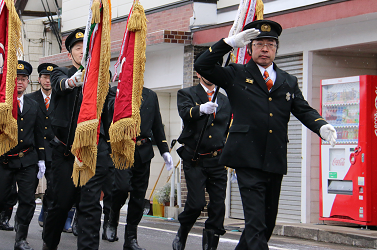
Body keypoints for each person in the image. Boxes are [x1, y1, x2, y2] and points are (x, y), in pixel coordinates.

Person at [194, 19, 337, 250]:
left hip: (274, 158)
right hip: (246, 157)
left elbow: (303, 109)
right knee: (256, 222)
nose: (264, 49)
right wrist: (228, 43)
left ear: (276, 49)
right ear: (250, 48)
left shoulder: (288, 80)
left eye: (270, 44)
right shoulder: (236, 73)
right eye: (259, 43)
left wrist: (320, 126)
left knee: (265, 224)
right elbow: (203, 65)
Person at [43, 28, 114, 250]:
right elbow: (60, 85)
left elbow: (110, 107)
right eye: (78, 48)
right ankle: (49, 243)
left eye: (87, 48)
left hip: (93, 152)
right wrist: (75, 81)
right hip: (66, 153)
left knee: (90, 206)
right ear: (70, 54)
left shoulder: (101, 79)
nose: (82, 51)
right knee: (61, 204)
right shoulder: (60, 72)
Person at [0, 60, 46, 250]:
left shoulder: (34, 105)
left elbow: (38, 133)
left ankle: (21, 238)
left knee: (27, 201)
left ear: (28, 82)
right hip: (3, 159)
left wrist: (41, 158)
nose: (19, 82)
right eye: (16, 78)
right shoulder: (0, 104)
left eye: (23, 79)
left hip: (27, 159)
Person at [172, 61, 232, 250]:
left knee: (217, 206)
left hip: (217, 159)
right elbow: (184, 112)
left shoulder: (224, 99)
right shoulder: (187, 93)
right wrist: (200, 109)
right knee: (197, 203)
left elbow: (227, 128)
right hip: (195, 158)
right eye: (206, 70)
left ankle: (210, 246)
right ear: (199, 74)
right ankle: (183, 231)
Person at [104, 87, 173, 250]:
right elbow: (111, 112)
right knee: (121, 188)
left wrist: (164, 150)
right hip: (122, 148)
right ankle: (112, 217)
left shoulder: (151, 95)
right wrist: (126, 94)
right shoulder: (116, 92)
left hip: (143, 150)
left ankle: (131, 238)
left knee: (138, 196)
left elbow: (157, 124)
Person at [26, 62, 57, 232]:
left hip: (53, 150)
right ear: (39, 79)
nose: (48, 81)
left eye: (51, 78)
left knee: (53, 188)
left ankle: (46, 217)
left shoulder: (59, 99)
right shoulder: (30, 99)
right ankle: (22, 220)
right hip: (34, 150)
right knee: (29, 189)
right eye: (45, 77)